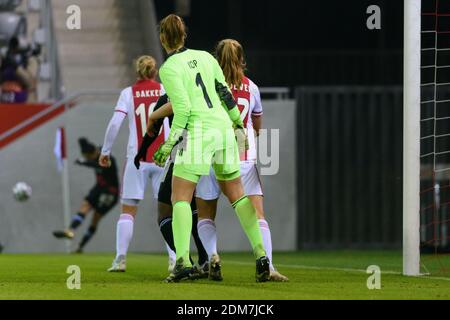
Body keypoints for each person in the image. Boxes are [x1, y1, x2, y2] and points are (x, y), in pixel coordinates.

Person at [153, 14, 270, 282]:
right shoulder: (207, 57)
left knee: (180, 197)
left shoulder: (169, 68)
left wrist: (168, 143)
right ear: (184, 35)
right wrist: (238, 124)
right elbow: (224, 93)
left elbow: (182, 110)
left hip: (199, 133)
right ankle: (261, 255)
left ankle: (182, 261)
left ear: (163, 38)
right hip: (223, 129)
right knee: (239, 196)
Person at [99, 55, 207, 273]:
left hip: (137, 157)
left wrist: (105, 151)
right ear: (155, 71)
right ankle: (174, 258)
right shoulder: (163, 91)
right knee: (173, 207)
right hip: (163, 157)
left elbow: (115, 123)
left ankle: (120, 259)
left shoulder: (127, 93)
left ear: (137, 72)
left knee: (128, 210)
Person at [195, 39, 288, 282]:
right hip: (242, 158)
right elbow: (257, 126)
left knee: (205, 214)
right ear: (242, 59)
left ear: (216, 58)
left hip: (209, 156)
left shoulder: (207, 85)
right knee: (257, 214)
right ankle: (267, 265)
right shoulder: (252, 88)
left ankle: (213, 256)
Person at [134, 94, 209, 278]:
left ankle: (185, 262)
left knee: (164, 213)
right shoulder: (203, 92)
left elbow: (153, 130)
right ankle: (206, 258)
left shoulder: (169, 97)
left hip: (181, 155)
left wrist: (141, 152)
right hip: (207, 153)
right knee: (193, 208)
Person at [53, 138, 119, 253]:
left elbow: (98, 165)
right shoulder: (93, 153)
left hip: (110, 192)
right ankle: (70, 230)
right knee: (85, 206)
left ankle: (80, 246)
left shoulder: (107, 157)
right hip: (99, 188)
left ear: (93, 153)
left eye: (88, 157)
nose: (88, 159)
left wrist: (84, 162)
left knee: (95, 218)